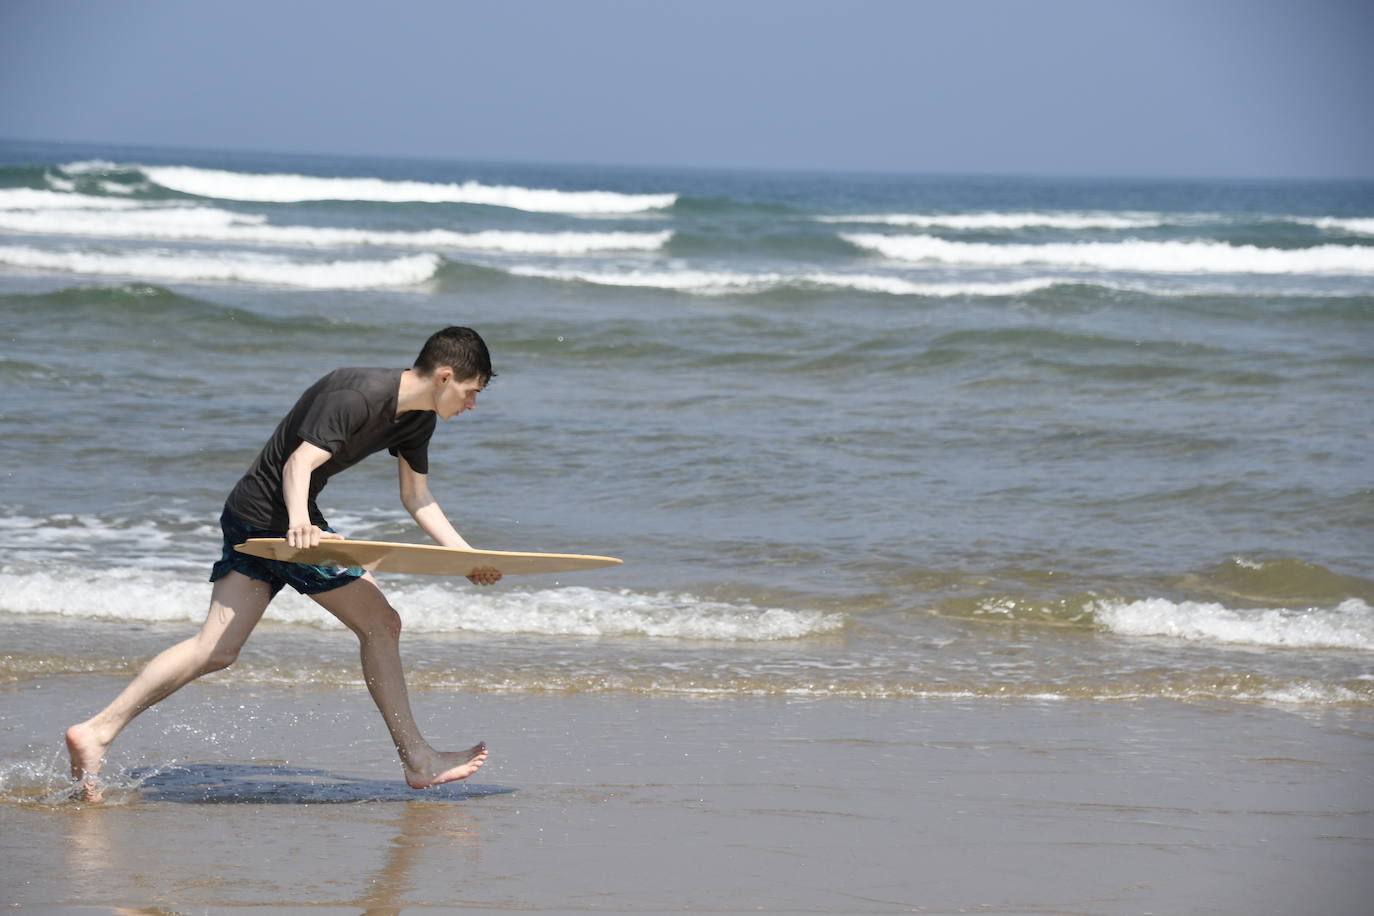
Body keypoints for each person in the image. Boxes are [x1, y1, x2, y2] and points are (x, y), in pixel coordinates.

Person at [65, 326, 500, 801]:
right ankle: (418, 759)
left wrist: (465, 557)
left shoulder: (418, 419)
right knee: (382, 624)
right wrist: (300, 526)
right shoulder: (357, 393)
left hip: (253, 515)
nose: (473, 404)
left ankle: (97, 731)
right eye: (472, 391)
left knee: (215, 649)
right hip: (278, 524)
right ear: (444, 376)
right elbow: (298, 464)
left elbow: (416, 496)